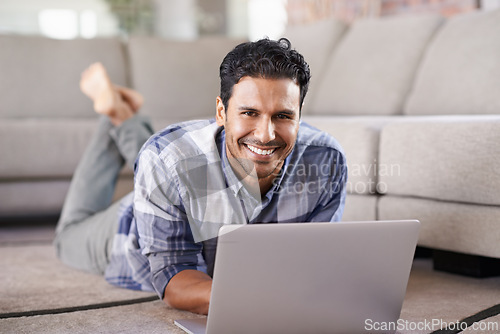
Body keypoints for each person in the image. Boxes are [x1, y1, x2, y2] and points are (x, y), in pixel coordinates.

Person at [54, 38, 347, 316]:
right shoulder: (166, 158)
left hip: (177, 184)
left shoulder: (326, 161)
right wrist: (257, 301)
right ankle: (115, 116)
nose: (266, 134)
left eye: (283, 116)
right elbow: (173, 276)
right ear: (221, 111)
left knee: (173, 163)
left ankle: (123, 117)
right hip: (131, 228)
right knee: (67, 236)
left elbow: (310, 265)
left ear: (299, 113)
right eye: (249, 112)